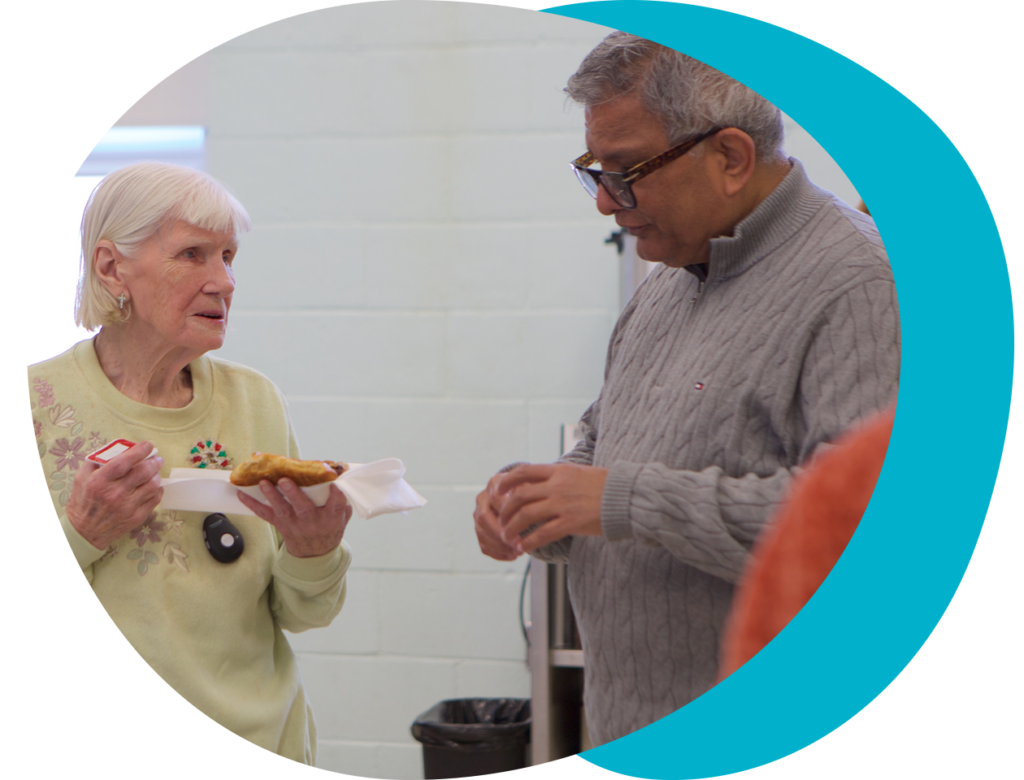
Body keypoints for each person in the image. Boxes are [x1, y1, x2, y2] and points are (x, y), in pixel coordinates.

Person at [473, 32, 900, 746]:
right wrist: (540, 503)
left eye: (627, 171)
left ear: (730, 157)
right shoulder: (669, 278)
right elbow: (603, 440)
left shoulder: (860, 284)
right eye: (596, 172)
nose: (605, 202)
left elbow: (856, 534)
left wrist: (620, 500)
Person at [29, 162, 353, 765]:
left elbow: (303, 611)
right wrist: (83, 532)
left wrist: (314, 551)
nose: (223, 281)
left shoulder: (255, 400)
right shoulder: (39, 404)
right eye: (192, 255)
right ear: (111, 268)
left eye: (228, 256)